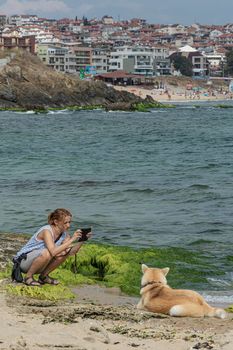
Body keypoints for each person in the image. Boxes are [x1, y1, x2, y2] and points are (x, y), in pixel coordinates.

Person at [13, 208, 91, 286]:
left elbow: (72, 252)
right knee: (48, 252)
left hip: (40, 262)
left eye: (69, 222)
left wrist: (82, 239)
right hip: (24, 262)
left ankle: (43, 277)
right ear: (56, 222)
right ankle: (28, 277)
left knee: (64, 253)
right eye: (65, 223)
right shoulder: (46, 231)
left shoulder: (64, 235)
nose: (68, 225)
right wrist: (72, 239)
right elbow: (53, 252)